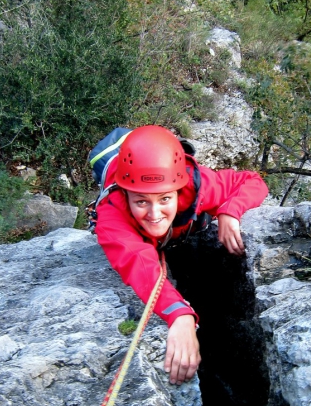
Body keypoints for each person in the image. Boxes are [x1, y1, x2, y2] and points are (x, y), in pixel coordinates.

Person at [93, 125, 268, 386]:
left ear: (178, 190)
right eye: (141, 201)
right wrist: (180, 314)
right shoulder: (112, 217)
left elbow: (253, 181)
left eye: (165, 199)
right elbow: (139, 263)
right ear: (126, 194)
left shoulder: (195, 185)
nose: (154, 214)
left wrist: (230, 211)